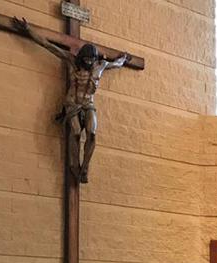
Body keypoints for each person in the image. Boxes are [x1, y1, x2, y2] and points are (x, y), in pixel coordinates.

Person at [12, 18, 131, 183]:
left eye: (91, 60)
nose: (89, 63)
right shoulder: (71, 60)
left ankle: (85, 168)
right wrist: (28, 30)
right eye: (86, 60)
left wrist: (124, 59)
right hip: (72, 103)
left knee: (92, 133)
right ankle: (74, 165)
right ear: (81, 57)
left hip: (88, 104)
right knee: (75, 132)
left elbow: (117, 64)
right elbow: (48, 45)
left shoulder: (101, 66)